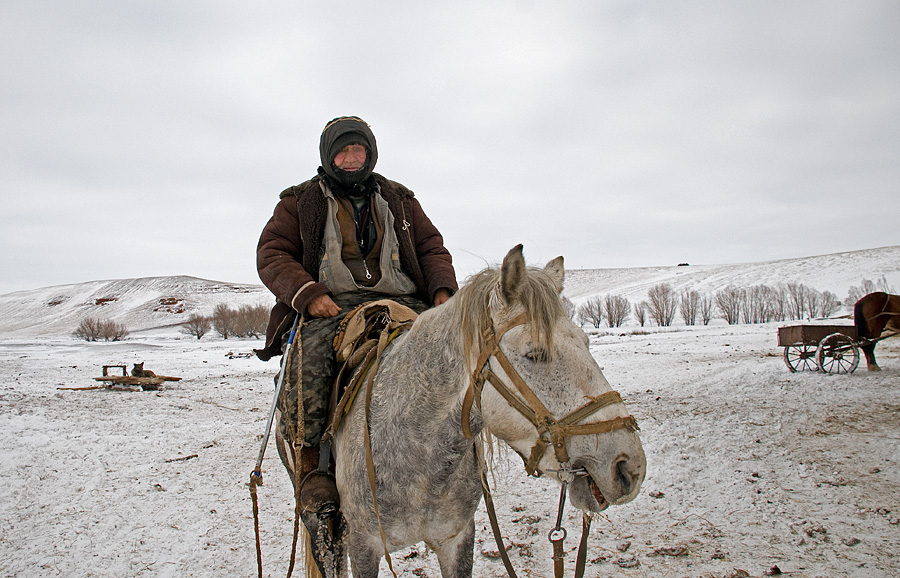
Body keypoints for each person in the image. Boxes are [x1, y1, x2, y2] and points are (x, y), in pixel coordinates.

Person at [256, 116, 457, 514]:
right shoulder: (300, 201)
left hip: (404, 300)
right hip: (332, 302)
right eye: (343, 151)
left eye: (358, 150)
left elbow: (432, 247)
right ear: (329, 156)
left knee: (452, 355)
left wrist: (442, 290)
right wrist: (308, 293)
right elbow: (272, 253)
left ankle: (458, 455)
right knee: (308, 360)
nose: (351, 158)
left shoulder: (401, 199)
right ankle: (311, 465)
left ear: (371, 153)